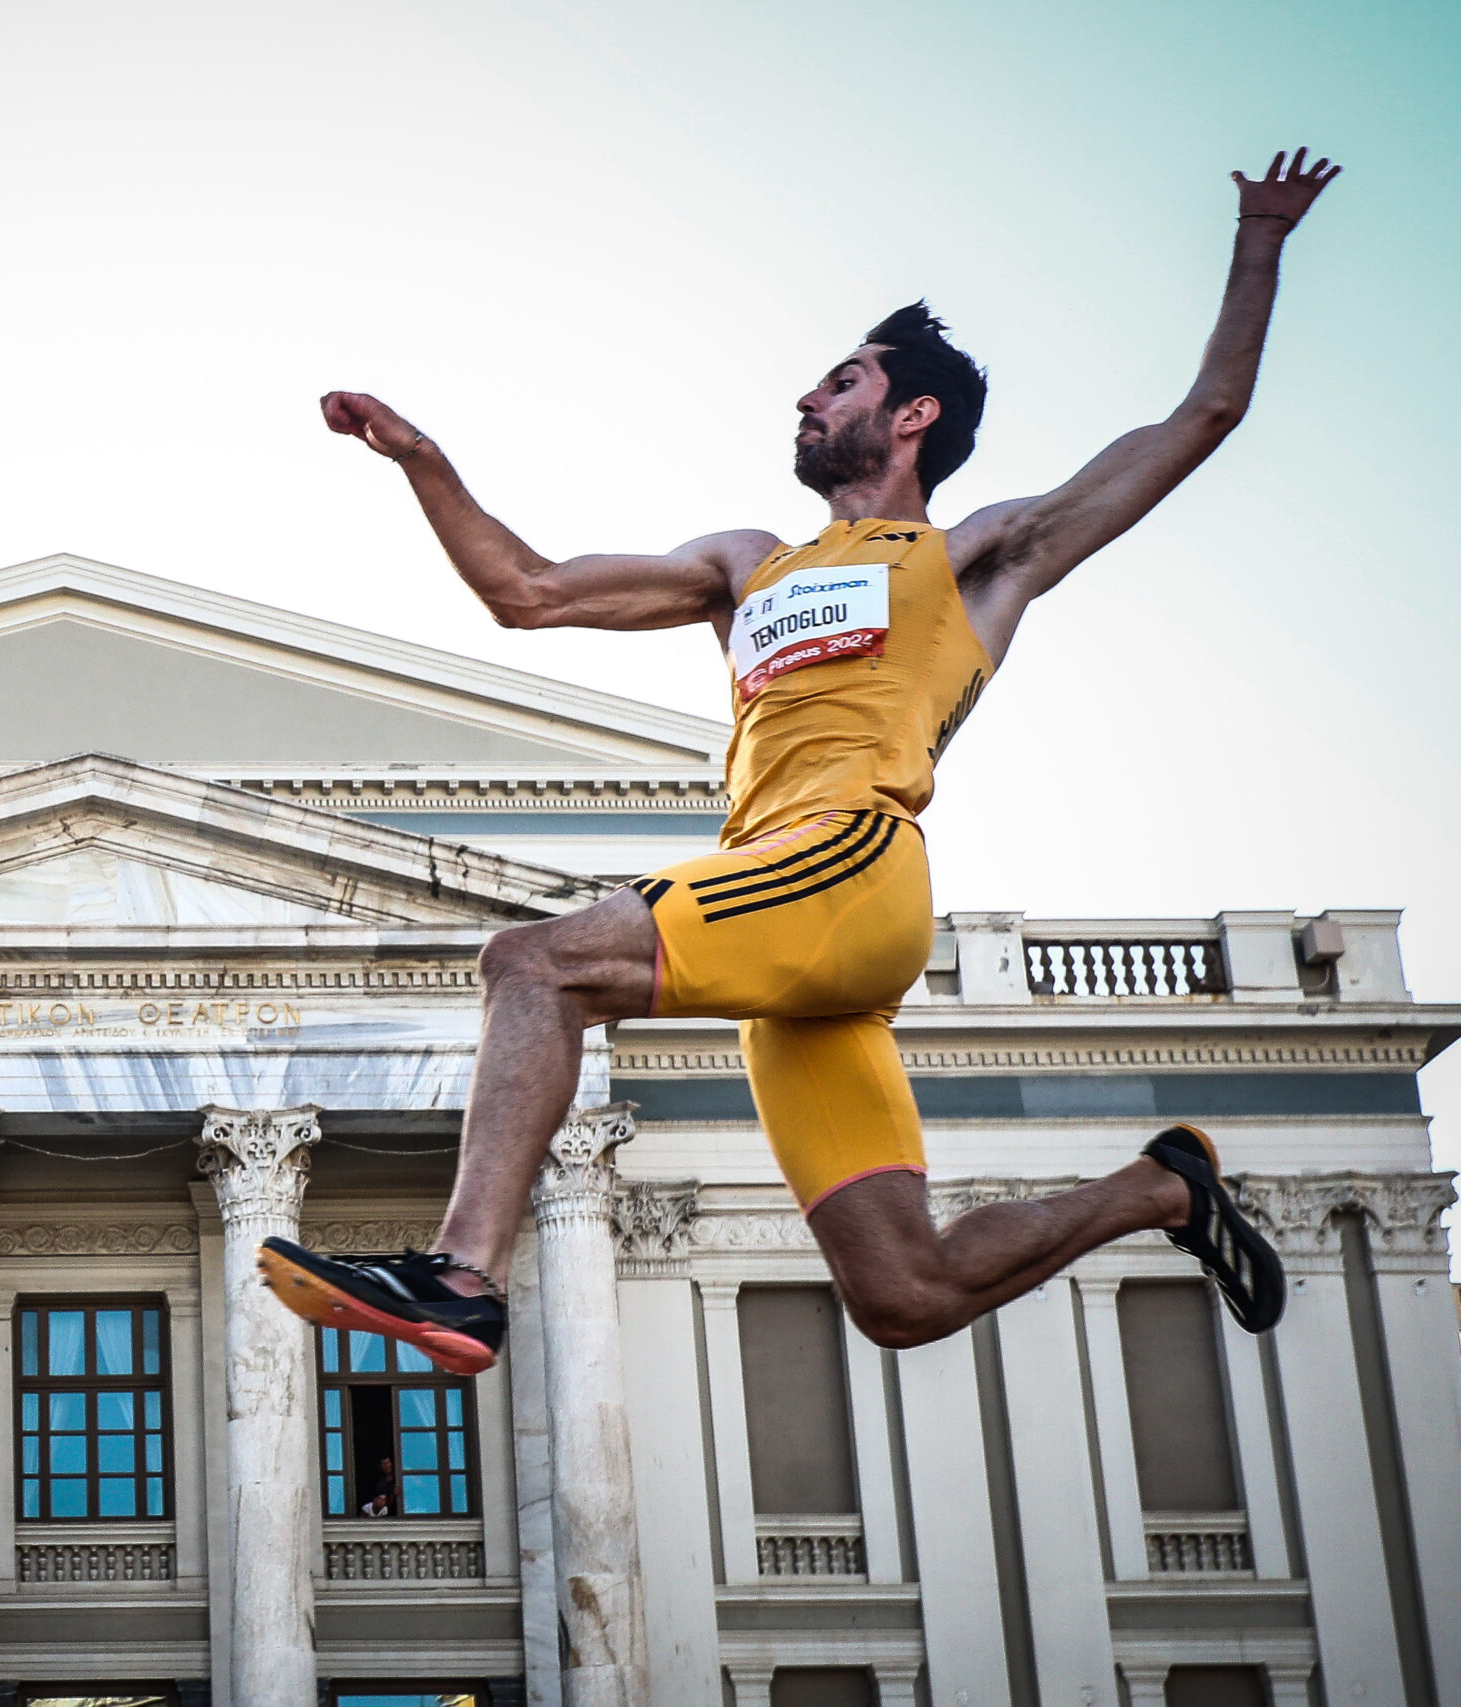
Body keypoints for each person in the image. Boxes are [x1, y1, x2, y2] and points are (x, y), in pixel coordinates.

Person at [258, 149, 1341, 1375]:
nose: (806, 400)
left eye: (842, 382)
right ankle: (1161, 1194)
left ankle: (457, 1278)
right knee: (904, 1294)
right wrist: (422, 461)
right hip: (792, 938)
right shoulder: (745, 566)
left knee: (530, 962)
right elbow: (527, 591)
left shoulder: (979, 555)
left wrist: (1259, 237)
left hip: (852, 860)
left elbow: (1200, 417)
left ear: (911, 413)